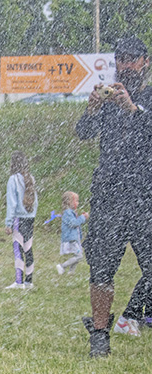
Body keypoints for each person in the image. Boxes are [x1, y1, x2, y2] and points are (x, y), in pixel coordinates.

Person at [75, 35, 152, 357]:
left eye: (133, 58)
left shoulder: (147, 96)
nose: (126, 64)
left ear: (146, 62)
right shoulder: (108, 99)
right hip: (109, 193)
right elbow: (83, 133)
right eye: (121, 58)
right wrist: (93, 110)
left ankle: (134, 314)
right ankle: (100, 334)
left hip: (146, 194)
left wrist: (133, 109)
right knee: (102, 268)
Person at [3, 151, 38, 290]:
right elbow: (35, 201)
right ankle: (29, 281)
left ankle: (19, 282)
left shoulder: (13, 180)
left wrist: (9, 223)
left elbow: (12, 203)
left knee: (18, 249)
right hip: (30, 218)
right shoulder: (31, 178)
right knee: (28, 248)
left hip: (19, 219)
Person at [56, 191, 88, 276]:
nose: (78, 203)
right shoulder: (68, 213)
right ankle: (62, 266)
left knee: (77, 255)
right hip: (71, 239)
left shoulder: (71, 212)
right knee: (79, 256)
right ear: (70, 202)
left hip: (74, 238)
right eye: (76, 200)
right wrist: (83, 218)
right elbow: (74, 223)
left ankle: (71, 272)